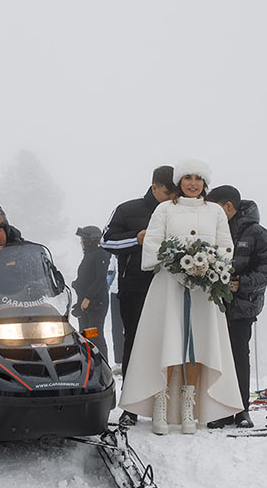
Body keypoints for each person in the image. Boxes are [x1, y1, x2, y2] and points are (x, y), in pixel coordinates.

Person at [118, 159, 243, 435]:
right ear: (179, 181)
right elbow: (152, 243)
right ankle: (160, 405)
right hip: (169, 287)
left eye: (198, 178)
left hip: (203, 290)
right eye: (188, 178)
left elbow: (225, 247)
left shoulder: (215, 212)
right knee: (169, 342)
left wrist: (209, 265)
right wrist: (174, 262)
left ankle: (190, 407)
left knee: (197, 346)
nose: (193, 183)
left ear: (205, 183)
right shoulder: (164, 209)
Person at [101, 165, 175, 425]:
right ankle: (130, 406)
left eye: (173, 194)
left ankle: (168, 403)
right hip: (134, 289)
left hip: (170, 288)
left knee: (169, 345)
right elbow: (106, 241)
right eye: (166, 192)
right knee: (134, 344)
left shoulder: (178, 210)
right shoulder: (127, 209)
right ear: (154, 187)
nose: (170, 198)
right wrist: (136, 239)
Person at [205, 185, 267, 428]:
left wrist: (243, 284)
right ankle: (220, 410)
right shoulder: (212, 230)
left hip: (242, 306)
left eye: (214, 207)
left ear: (228, 206)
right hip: (213, 306)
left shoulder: (256, 232)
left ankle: (241, 410)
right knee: (216, 359)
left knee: (238, 357)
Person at [72, 226, 111, 359]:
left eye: (82, 239)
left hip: (95, 303)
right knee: (85, 336)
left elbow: (100, 278)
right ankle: (89, 365)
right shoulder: (88, 255)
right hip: (84, 303)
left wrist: (88, 298)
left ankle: (103, 367)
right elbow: (87, 277)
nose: (81, 242)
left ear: (90, 240)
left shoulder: (100, 254)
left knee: (95, 336)